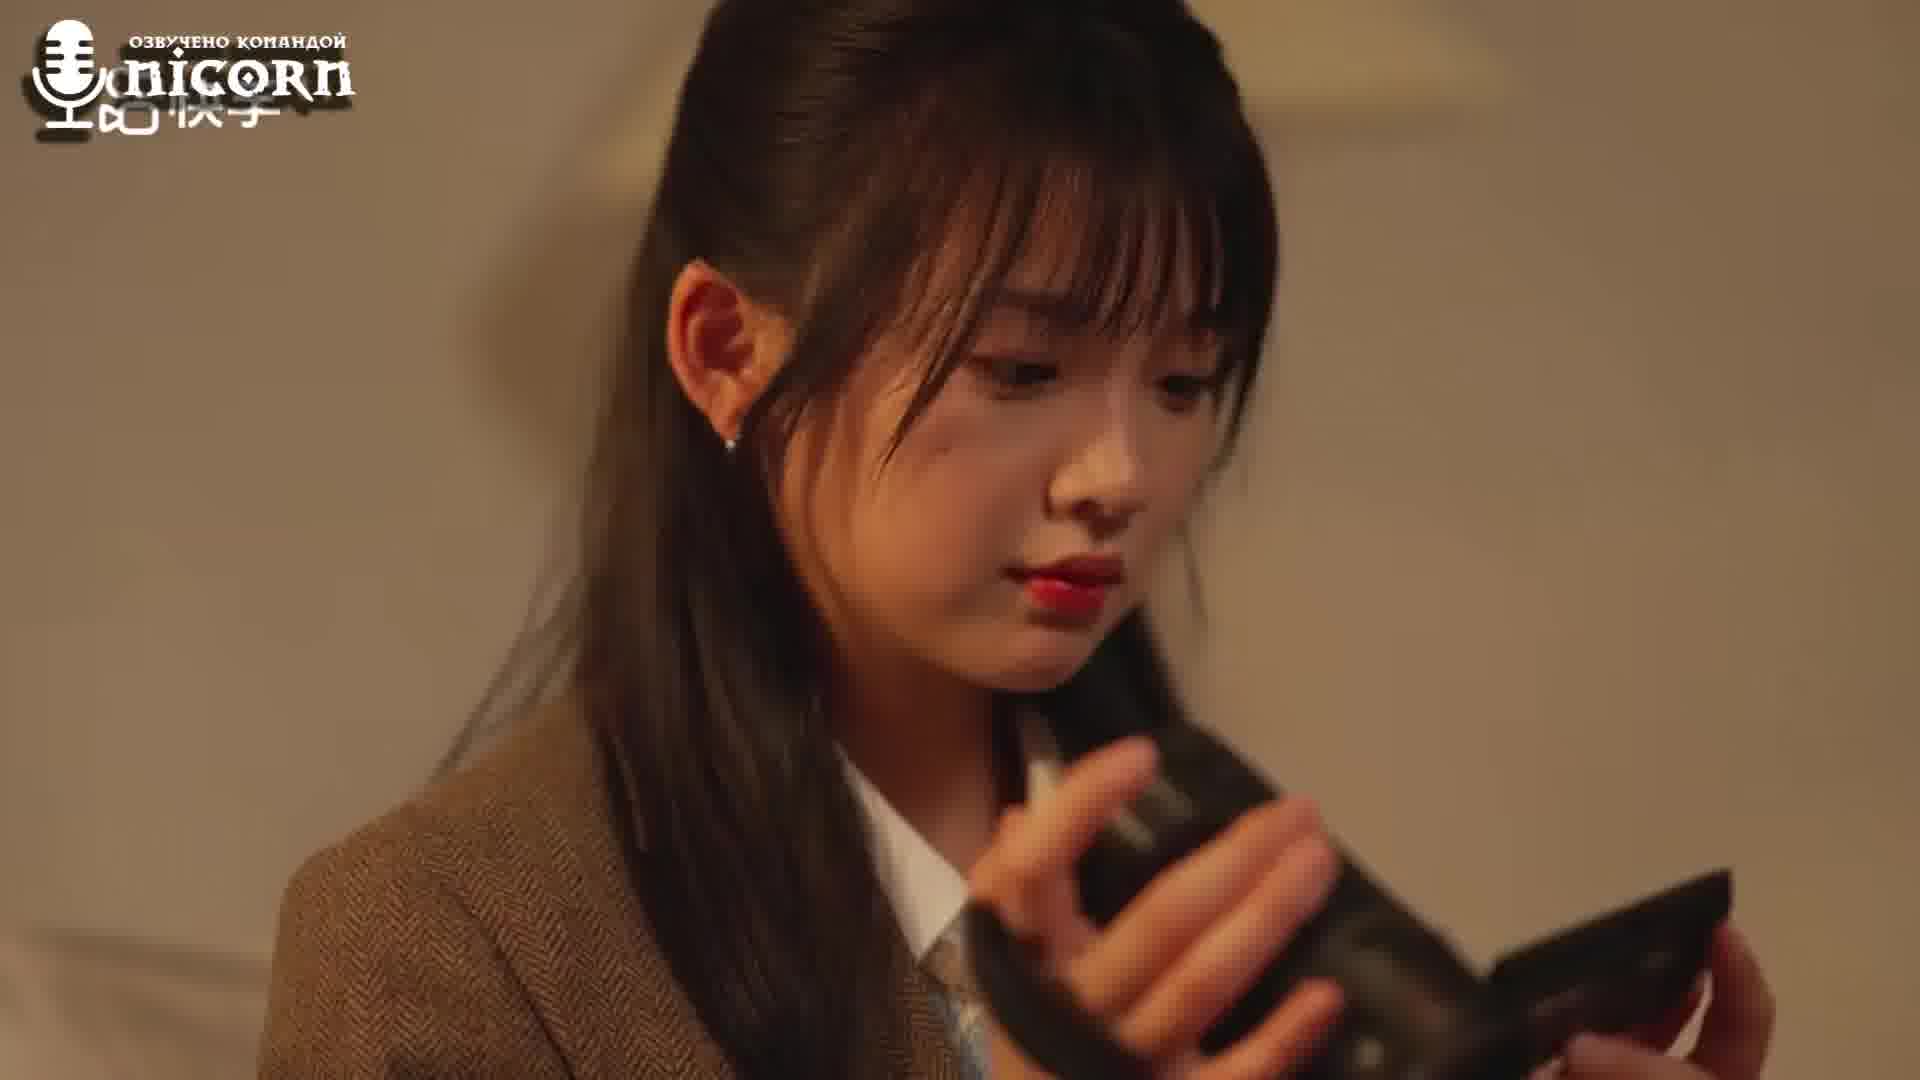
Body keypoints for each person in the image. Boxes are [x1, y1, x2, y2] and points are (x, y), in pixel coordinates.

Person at [256, 1, 1776, 1077]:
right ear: (726, 351)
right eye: (1024, 369)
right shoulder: (444, 940)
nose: (1121, 477)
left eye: (1182, 383)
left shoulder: (1198, 861)